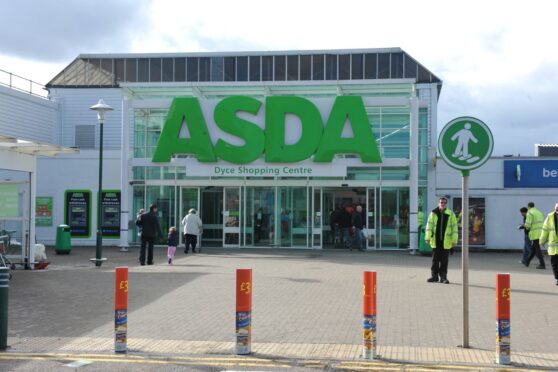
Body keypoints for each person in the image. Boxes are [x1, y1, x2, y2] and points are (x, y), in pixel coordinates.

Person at [425, 197, 458, 284]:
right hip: (436, 241)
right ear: (438, 203)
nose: (442, 204)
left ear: (446, 204)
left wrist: (454, 240)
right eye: (441, 202)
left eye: (444, 203)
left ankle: (443, 277)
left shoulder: (451, 214)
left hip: (446, 241)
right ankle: (434, 276)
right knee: (435, 260)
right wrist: (427, 238)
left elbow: (455, 228)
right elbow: (429, 226)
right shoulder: (433, 213)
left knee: (444, 261)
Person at [540, 203, 558, 286]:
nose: (557, 210)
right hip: (553, 246)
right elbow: (545, 229)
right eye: (556, 208)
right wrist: (542, 241)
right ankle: (557, 278)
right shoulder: (550, 217)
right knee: (554, 264)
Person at [524, 201, 546, 269]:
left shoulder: (530, 213)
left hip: (535, 233)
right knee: (534, 249)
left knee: (537, 250)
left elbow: (528, 225)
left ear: (529, 207)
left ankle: (542, 264)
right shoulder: (539, 212)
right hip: (541, 233)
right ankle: (527, 262)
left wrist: (523, 226)